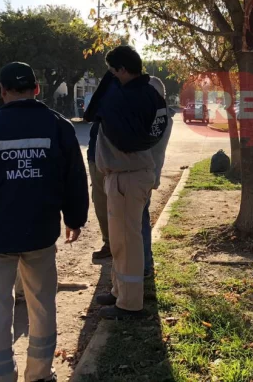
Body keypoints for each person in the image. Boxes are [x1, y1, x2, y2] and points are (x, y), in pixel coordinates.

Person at [0, 62, 89, 382]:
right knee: (42, 304)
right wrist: (75, 218)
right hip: (40, 232)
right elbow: (74, 178)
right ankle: (40, 373)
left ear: (1, 92)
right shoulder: (58, 125)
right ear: (37, 89)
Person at [93, 46, 169, 320]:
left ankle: (129, 303)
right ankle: (119, 290)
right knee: (120, 241)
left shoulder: (130, 99)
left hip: (128, 177)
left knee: (127, 241)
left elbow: (126, 139)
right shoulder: (142, 96)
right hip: (127, 176)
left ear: (123, 70)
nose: (111, 77)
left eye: (114, 71)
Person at [143, 76, 175, 278]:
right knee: (141, 220)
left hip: (143, 174)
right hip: (149, 174)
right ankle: (145, 262)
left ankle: (145, 264)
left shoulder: (156, 118)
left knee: (139, 223)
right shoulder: (164, 117)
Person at [83, 71, 116, 261]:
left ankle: (117, 244)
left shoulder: (127, 94)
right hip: (96, 157)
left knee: (116, 205)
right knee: (101, 202)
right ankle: (109, 243)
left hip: (116, 161)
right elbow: (90, 116)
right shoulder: (106, 93)